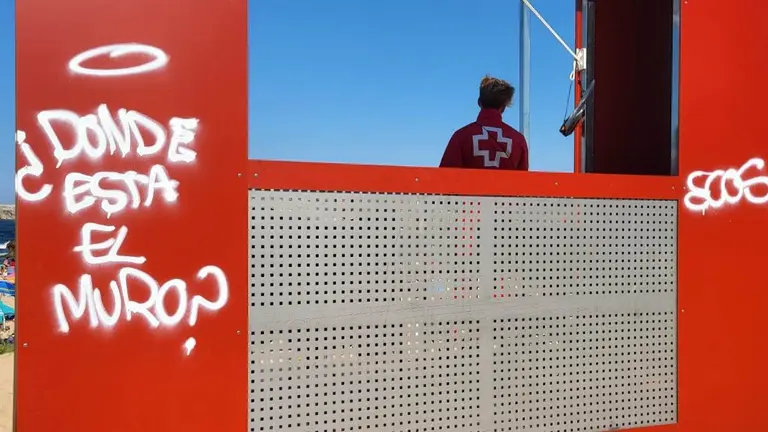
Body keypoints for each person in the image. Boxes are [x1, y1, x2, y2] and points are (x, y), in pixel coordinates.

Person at [439, 76, 529, 170]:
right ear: (503, 107)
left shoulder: (461, 136)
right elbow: (523, 181)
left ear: (479, 102)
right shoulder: (518, 140)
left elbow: (446, 177)